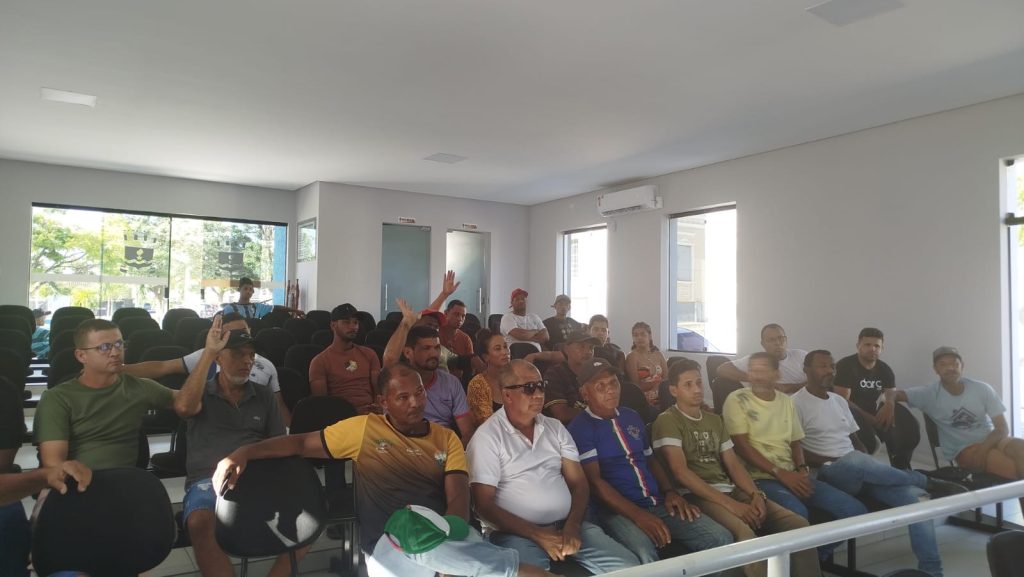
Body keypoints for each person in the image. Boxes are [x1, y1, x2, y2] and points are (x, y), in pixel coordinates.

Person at [211, 363, 557, 577]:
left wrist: (448, 536)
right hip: (387, 541)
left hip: (442, 533)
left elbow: (457, 499)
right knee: (455, 564)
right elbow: (300, 443)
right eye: (403, 397)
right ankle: (521, 570)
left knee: (452, 559)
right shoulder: (363, 429)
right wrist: (244, 453)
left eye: (419, 393)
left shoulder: (446, 438)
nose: (415, 403)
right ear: (384, 402)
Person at [467, 360, 640, 573]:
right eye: (529, 388)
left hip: (568, 525)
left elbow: (579, 483)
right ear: (507, 395)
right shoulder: (487, 437)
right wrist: (537, 534)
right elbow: (483, 505)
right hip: (514, 533)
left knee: (631, 569)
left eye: (541, 386)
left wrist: (573, 525)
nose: (538, 394)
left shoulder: (555, 428)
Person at [652, 358, 820, 577]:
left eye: (699, 382)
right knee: (745, 535)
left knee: (798, 524)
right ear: (674, 390)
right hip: (697, 495)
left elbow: (733, 464)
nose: (697, 389)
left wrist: (755, 494)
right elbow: (680, 472)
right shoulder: (667, 420)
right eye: (688, 385)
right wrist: (732, 506)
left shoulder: (714, 420)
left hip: (731, 489)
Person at [568, 358, 734, 565]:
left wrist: (670, 491)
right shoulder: (580, 428)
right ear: (585, 393)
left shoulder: (631, 416)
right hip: (617, 512)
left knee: (720, 539)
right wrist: (638, 515)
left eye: (613, 383)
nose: (610, 390)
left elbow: (650, 459)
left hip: (658, 502)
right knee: (645, 554)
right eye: (600, 386)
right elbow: (595, 483)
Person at [794, 350, 944, 577]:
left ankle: (932, 570)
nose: (829, 371)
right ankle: (923, 479)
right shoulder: (795, 403)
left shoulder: (838, 401)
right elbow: (797, 449)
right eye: (822, 366)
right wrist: (843, 461)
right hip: (828, 472)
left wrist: (864, 463)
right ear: (806, 370)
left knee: (916, 501)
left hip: (858, 471)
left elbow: (856, 441)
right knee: (855, 460)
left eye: (832, 366)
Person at [174, 319, 298, 577]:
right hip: (208, 480)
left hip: (257, 475)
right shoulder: (200, 393)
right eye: (239, 354)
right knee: (200, 521)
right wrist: (208, 353)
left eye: (251, 355)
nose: (247, 361)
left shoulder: (263, 395)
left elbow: (279, 442)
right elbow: (184, 407)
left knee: (310, 514)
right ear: (219, 358)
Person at [722, 352, 867, 559]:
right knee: (799, 515)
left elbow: (795, 441)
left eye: (763, 370)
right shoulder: (737, 399)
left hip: (791, 474)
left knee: (855, 511)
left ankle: (815, 558)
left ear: (776, 374)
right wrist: (780, 473)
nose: (756, 375)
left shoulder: (785, 401)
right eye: (752, 370)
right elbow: (742, 447)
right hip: (758, 478)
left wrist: (801, 469)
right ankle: (803, 564)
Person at [35, 319, 192, 470]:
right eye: (104, 347)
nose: (115, 353)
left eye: (119, 344)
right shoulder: (57, 398)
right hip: (76, 482)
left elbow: (189, 402)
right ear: (81, 356)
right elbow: (54, 465)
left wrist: (204, 360)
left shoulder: (138, 386)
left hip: (125, 479)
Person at [884, 347, 1024, 508]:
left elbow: (1002, 429)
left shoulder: (982, 389)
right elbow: (893, 393)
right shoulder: (928, 394)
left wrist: (983, 450)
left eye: (954, 364)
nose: (950, 368)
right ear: (936, 369)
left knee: (1021, 447)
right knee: (1016, 470)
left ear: (962, 365)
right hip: (965, 449)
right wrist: (889, 404)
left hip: (993, 441)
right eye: (943, 364)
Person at [124, 312, 291, 425]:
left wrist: (290, 434)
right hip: (212, 422)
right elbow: (162, 367)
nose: (239, 336)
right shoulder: (206, 356)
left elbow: (279, 406)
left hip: (254, 424)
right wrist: (118, 370)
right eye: (231, 333)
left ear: (250, 330)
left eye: (243, 331)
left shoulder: (266, 366)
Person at [383, 299, 475, 444]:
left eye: (436, 348)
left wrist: (454, 455)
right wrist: (406, 323)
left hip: (441, 446)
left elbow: (468, 432)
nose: (434, 354)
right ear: (408, 352)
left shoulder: (451, 383)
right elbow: (389, 360)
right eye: (426, 348)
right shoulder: (398, 379)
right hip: (402, 444)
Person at [833, 328, 919, 470]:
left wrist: (889, 405)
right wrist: (870, 419)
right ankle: (863, 464)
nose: (872, 349)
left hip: (871, 412)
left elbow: (892, 394)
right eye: (867, 344)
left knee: (901, 417)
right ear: (858, 346)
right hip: (846, 414)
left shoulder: (885, 369)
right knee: (859, 421)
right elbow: (842, 401)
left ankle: (901, 464)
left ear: (882, 349)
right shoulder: (845, 365)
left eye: (877, 346)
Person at [308, 303, 381, 414]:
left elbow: (378, 393)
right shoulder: (319, 361)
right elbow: (321, 405)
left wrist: (377, 410)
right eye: (346, 322)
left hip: (371, 415)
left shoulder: (369, 354)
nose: (353, 327)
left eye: (355, 322)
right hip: (340, 417)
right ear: (333, 325)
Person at [717, 324, 807, 393]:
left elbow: (815, 381)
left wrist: (791, 387)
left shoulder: (801, 356)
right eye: (771, 340)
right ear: (763, 344)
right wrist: (756, 379)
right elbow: (722, 369)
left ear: (786, 339)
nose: (777, 343)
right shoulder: (757, 361)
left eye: (781, 338)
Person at [543, 330, 602, 424]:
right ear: (566, 349)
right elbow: (561, 414)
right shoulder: (555, 374)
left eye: (591, 347)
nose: (588, 351)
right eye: (581, 346)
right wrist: (597, 412)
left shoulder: (597, 374)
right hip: (567, 430)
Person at [467, 329, 511, 427]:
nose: (505, 352)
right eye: (497, 349)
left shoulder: (517, 378)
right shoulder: (477, 385)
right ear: (486, 356)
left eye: (505, 347)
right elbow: (488, 424)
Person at [625, 321, 668, 407]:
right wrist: (655, 385)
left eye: (642, 334)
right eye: (635, 335)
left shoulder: (658, 354)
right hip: (644, 398)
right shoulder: (632, 357)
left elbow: (667, 378)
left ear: (650, 336)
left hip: (662, 394)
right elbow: (635, 386)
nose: (639, 338)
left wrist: (657, 388)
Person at [220, 276, 303, 319]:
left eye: (250, 289)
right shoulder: (229, 308)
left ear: (253, 292)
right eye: (245, 288)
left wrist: (295, 310)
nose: (248, 291)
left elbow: (275, 308)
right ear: (239, 290)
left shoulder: (257, 307)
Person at [500, 289, 549, 353]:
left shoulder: (534, 317)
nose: (521, 301)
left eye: (523, 299)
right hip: (517, 354)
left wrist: (526, 337)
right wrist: (536, 331)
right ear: (512, 303)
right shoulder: (507, 317)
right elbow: (521, 335)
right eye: (517, 299)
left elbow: (546, 336)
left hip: (536, 353)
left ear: (526, 301)